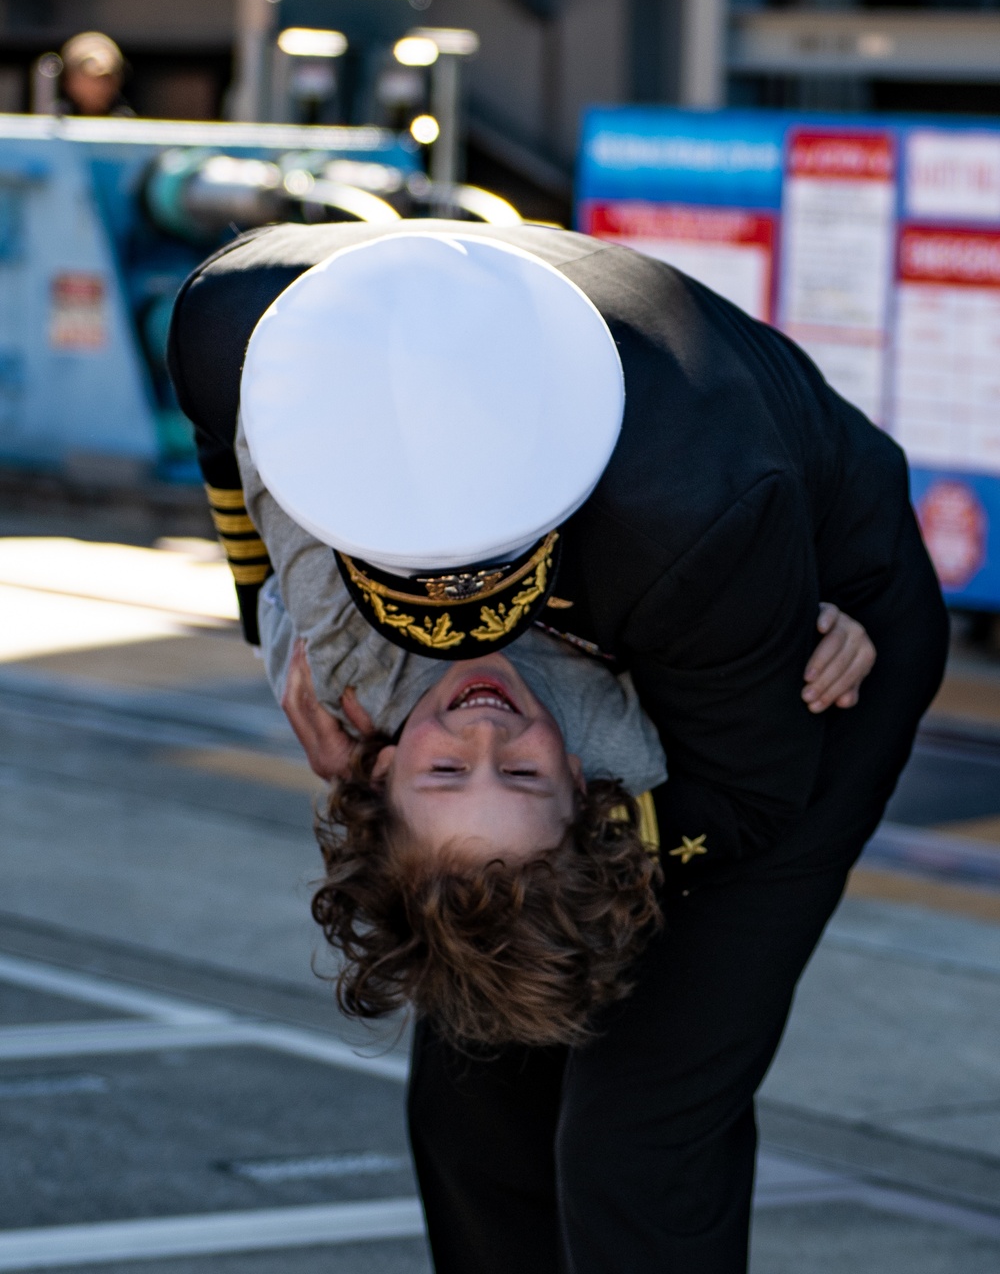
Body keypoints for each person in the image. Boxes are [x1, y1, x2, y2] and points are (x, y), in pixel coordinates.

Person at [167, 223, 946, 1274]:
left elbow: (752, 796)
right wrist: (272, 620)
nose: (483, 719)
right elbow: (234, 463)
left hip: (784, 673)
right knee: (477, 1091)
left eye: (456, 764)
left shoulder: (690, 514)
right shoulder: (241, 325)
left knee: (635, 1136)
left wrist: (573, 834)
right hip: (571, 725)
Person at [57, 32, 133, 117]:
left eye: (106, 78)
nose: (99, 87)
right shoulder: (51, 122)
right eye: (89, 79)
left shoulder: (125, 123)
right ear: (68, 80)